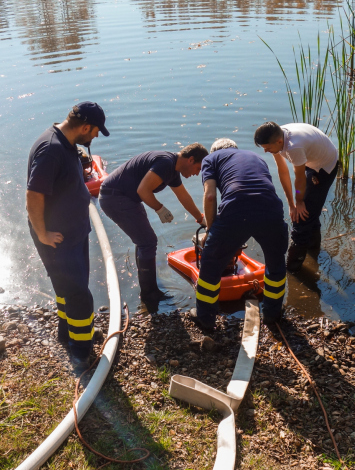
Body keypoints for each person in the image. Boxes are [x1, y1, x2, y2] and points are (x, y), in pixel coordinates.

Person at [26, 101, 109, 370]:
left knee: (66, 289)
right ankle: (81, 352)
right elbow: (33, 194)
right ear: (85, 127)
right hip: (57, 238)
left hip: (72, 234)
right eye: (96, 131)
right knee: (78, 295)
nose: (95, 136)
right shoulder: (51, 149)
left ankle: (69, 333)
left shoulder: (66, 142)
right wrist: (42, 233)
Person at [192, 138, 288, 329]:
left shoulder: (210, 159)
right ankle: (272, 314)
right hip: (271, 209)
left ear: (214, 151)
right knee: (275, 264)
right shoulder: (256, 157)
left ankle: (205, 318)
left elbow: (210, 196)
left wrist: (211, 230)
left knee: (210, 264)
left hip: (236, 209)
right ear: (234, 148)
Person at [99, 144, 209, 309]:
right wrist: (160, 209)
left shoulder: (173, 169)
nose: (197, 173)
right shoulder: (166, 163)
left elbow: (183, 196)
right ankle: (149, 294)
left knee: (144, 241)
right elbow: (143, 190)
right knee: (148, 242)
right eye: (198, 168)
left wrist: (200, 218)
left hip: (125, 197)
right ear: (191, 159)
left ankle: (148, 290)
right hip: (115, 198)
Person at [254, 122, 338, 271]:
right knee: (309, 210)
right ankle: (313, 249)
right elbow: (283, 171)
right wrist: (291, 204)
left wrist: (299, 203)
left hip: (325, 166)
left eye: (267, 147)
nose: (266, 151)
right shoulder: (278, 137)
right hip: (311, 158)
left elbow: (299, 179)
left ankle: (293, 270)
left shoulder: (294, 147)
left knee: (302, 217)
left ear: (279, 142)